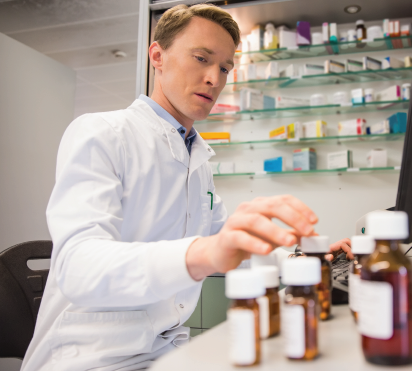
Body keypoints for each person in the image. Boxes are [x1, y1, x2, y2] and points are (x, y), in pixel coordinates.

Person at [21, 4, 351, 371]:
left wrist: (301, 259)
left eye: (225, 68)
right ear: (157, 56)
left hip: (166, 352)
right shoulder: (102, 133)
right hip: (92, 356)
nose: (215, 78)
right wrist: (203, 253)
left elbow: (231, 246)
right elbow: (77, 266)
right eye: (201, 58)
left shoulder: (196, 159)